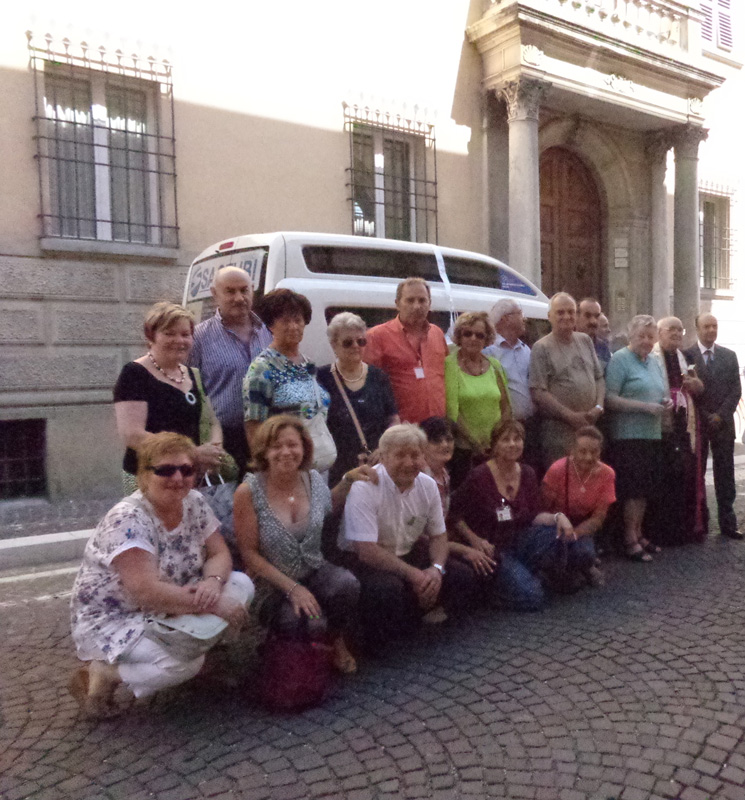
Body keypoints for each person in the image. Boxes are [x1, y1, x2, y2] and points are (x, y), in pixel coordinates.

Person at [69, 433, 254, 719]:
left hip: (176, 596)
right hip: (122, 616)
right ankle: (103, 672)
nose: (178, 478)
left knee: (241, 584)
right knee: (182, 665)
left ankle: (199, 654)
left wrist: (212, 583)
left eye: (186, 469)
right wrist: (213, 604)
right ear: (144, 476)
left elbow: (219, 554)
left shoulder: (193, 501)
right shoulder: (128, 519)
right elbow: (145, 592)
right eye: (165, 470)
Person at [233, 415, 369, 673]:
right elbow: (249, 554)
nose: (285, 452)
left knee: (347, 585)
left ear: (304, 448)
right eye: (276, 446)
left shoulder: (313, 480)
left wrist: (348, 480)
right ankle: (288, 650)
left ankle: (336, 641)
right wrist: (293, 588)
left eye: (293, 445)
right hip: (272, 583)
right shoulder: (248, 492)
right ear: (264, 451)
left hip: (314, 569)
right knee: (301, 621)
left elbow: (328, 505)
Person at [340, 424, 479, 648]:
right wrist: (415, 575)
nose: (409, 462)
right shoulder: (364, 487)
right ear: (383, 457)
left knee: (461, 576)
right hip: (366, 561)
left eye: (415, 455)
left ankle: (420, 622)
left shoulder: (428, 485)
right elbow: (366, 551)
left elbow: (438, 536)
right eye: (400, 455)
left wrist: (436, 570)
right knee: (388, 591)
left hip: (408, 551)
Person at [449, 419, 586, 610]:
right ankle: (491, 590)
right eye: (506, 440)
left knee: (559, 534)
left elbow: (535, 515)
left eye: (517, 439)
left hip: (522, 540)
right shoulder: (479, 476)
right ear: (495, 446)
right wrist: (474, 539)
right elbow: (453, 513)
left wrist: (558, 517)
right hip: (495, 549)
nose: (513, 444)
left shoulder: (528, 473)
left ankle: (539, 574)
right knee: (533, 597)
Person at [114, 302, 225, 493]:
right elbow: (133, 435)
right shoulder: (134, 374)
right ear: (151, 336)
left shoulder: (193, 375)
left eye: (185, 334)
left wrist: (213, 451)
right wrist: (192, 454)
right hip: (150, 477)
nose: (179, 340)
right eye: (169, 333)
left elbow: (212, 421)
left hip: (189, 476)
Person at [189, 267, 271, 476]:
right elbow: (189, 389)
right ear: (214, 294)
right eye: (230, 291)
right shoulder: (198, 337)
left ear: (253, 291)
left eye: (244, 290)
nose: (239, 298)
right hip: (223, 440)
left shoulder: (268, 332)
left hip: (266, 435)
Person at [604, 315, 670, 560]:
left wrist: (665, 402)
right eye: (641, 336)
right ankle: (629, 539)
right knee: (632, 490)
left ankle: (639, 533)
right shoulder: (620, 359)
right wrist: (644, 407)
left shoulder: (654, 361)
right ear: (631, 336)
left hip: (652, 433)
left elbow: (659, 391)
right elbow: (610, 399)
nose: (646, 341)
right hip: (628, 435)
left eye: (650, 336)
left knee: (645, 489)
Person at [317, 312, 399, 487]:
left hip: (377, 466)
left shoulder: (379, 377)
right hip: (337, 469)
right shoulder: (321, 378)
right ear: (334, 345)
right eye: (348, 342)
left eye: (361, 341)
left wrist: (384, 448)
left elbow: (393, 419)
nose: (356, 346)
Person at [243, 289, 330, 451]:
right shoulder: (262, 368)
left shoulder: (308, 364)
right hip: (283, 461)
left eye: (298, 320)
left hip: (316, 462)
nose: (293, 326)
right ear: (271, 326)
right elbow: (254, 427)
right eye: (285, 321)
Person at [648, 316, 707, 545]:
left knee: (685, 475)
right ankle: (663, 533)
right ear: (659, 333)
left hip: (684, 426)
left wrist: (696, 386)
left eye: (679, 329)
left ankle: (685, 528)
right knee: (663, 478)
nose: (676, 333)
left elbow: (699, 386)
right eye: (670, 329)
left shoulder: (687, 357)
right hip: (661, 425)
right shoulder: (652, 357)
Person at [530, 293, 605, 469]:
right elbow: (538, 392)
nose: (566, 317)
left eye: (571, 312)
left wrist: (598, 407)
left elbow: (599, 377)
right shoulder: (541, 348)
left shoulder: (585, 340)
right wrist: (569, 416)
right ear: (550, 316)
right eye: (560, 312)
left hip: (589, 426)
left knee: (588, 477)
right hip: (559, 430)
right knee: (562, 478)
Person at [685, 313, 742, 540]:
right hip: (699, 423)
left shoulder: (729, 356)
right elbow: (687, 391)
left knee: (725, 473)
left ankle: (728, 523)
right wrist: (706, 414)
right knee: (697, 473)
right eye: (706, 326)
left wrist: (720, 415)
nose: (711, 330)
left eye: (714, 326)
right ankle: (701, 523)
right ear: (697, 329)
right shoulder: (687, 355)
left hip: (723, 424)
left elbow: (736, 390)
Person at [419, 417, 497, 584]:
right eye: (436, 441)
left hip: (441, 541)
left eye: (448, 439)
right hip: (421, 547)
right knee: (465, 573)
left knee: (490, 558)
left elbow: (450, 517)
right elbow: (422, 537)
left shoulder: (444, 474)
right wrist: (464, 550)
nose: (445, 445)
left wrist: (474, 540)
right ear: (422, 445)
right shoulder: (420, 479)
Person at [364, 277, 448, 423]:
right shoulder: (377, 337)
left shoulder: (437, 333)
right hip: (401, 430)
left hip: (437, 429)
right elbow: (368, 387)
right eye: (410, 300)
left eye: (422, 300)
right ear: (397, 304)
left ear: (430, 303)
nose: (417, 306)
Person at [540, 426, 616, 586]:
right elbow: (543, 507)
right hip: (554, 524)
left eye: (594, 452)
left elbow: (598, 518)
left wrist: (574, 534)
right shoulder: (557, 470)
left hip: (582, 526)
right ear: (572, 450)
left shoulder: (607, 474)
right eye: (582, 451)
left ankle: (584, 566)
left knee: (584, 553)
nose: (588, 457)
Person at [445, 311, 511, 470]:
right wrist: (474, 443)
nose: (473, 338)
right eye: (468, 334)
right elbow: (452, 410)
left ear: (487, 339)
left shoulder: (495, 365)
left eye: (480, 335)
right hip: (464, 450)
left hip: (495, 448)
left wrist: (496, 440)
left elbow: (506, 406)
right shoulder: (449, 365)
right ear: (459, 336)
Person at [483, 298, 538, 467]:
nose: (525, 319)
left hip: (531, 425)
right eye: (520, 314)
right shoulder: (490, 351)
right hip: (505, 429)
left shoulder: (526, 349)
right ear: (506, 318)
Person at [577, 297, 612, 369]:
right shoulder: (566, 344)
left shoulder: (603, 347)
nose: (593, 321)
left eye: (596, 316)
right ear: (576, 316)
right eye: (588, 316)